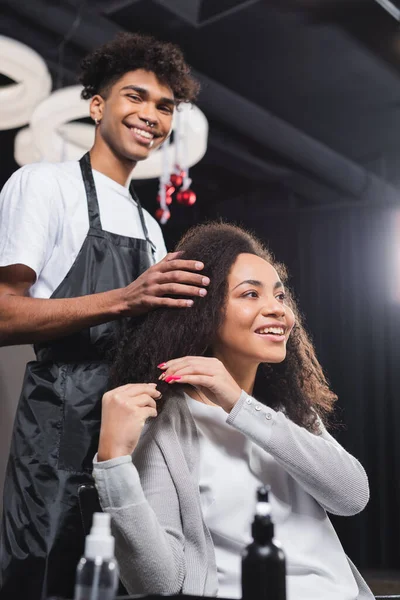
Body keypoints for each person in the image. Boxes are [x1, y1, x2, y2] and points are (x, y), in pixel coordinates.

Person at [0, 33, 208, 600]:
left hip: (135, 435)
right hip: (59, 431)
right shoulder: (44, 184)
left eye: (165, 106)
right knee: (44, 577)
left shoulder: (150, 226)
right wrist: (125, 297)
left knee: (124, 582)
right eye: (134, 97)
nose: (151, 115)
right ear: (97, 105)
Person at [94, 222, 374, 600]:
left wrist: (239, 405)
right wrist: (113, 464)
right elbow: (157, 582)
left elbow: (352, 495)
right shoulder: (166, 425)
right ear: (204, 312)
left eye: (279, 296)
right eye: (250, 294)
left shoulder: (289, 410)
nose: (276, 310)